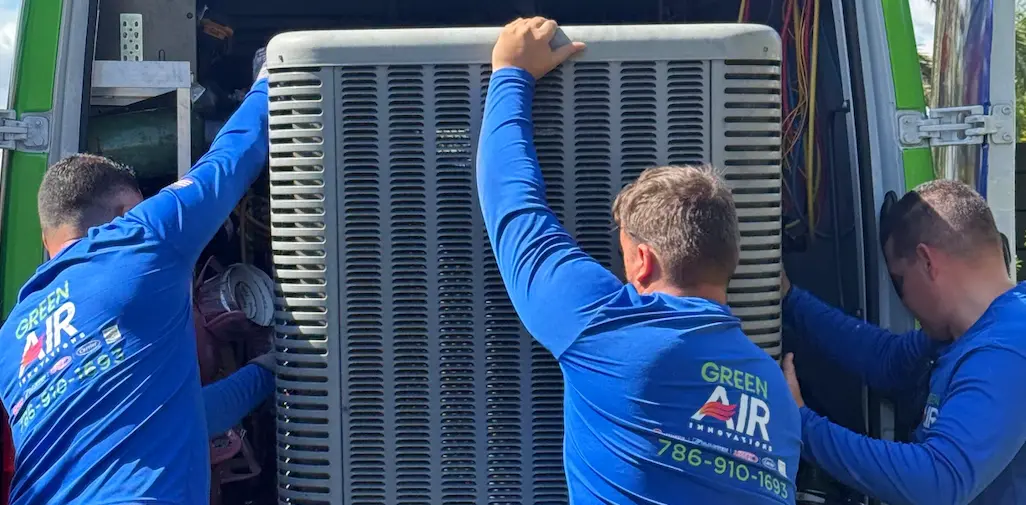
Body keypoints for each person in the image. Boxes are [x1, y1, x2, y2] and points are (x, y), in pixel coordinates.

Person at [478, 17, 802, 504]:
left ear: (643, 262)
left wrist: (510, 74)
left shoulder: (608, 328)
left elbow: (512, 204)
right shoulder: (775, 395)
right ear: (730, 258)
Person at [0, 61, 274, 505]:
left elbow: (182, 416)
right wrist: (269, 78)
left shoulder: (10, 344)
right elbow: (229, 162)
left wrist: (267, 374)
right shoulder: (136, 239)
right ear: (123, 211)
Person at [780, 180, 1026, 505]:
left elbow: (938, 483)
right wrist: (789, 299)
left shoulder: (1008, 348)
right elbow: (886, 359)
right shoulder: (966, 332)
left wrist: (800, 423)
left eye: (899, 281)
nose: (904, 300)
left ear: (927, 262)